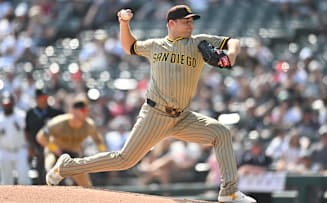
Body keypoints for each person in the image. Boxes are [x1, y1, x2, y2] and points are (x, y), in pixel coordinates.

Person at [46, 5, 256, 203]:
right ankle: (67, 166)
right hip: (155, 114)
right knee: (124, 160)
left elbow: (232, 41)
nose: (191, 25)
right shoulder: (156, 45)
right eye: (186, 22)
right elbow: (129, 46)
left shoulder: (198, 42)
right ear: (171, 24)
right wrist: (124, 23)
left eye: (192, 21)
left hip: (183, 117)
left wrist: (230, 55)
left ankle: (229, 192)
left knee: (221, 133)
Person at [36, 94, 107, 187]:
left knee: (86, 185)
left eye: (86, 110)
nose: (85, 113)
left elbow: (98, 141)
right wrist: (54, 148)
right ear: (73, 111)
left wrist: (103, 154)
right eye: (82, 110)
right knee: (50, 172)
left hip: (74, 154)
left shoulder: (89, 125)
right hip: (56, 152)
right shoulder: (58, 122)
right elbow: (40, 137)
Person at [25, 88, 64, 185]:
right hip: (37, 147)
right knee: (41, 171)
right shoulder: (30, 114)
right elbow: (27, 131)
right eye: (41, 97)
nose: (44, 99)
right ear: (37, 99)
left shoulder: (55, 112)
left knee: (57, 171)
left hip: (54, 147)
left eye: (45, 97)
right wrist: (31, 146)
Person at [0, 92, 31, 185]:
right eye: (5, 104)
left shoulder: (21, 115)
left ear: (13, 103)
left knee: (23, 179)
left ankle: (26, 198)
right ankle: (6, 199)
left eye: (9, 104)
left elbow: (28, 132)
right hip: (5, 151)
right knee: (6, 181)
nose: (7, 106)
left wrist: (30, 147)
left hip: (20, 150)